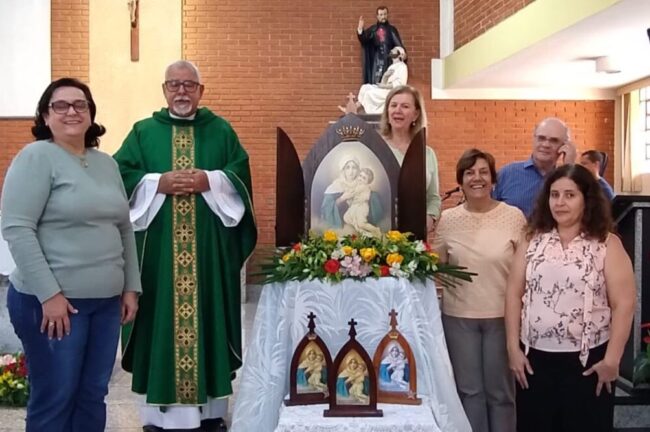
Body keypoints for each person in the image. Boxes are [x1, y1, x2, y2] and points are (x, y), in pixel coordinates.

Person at [114, 60, 257, 432]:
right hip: (158, 260)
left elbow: (239, 172)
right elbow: (119, 174)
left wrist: (210, 180)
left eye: (189, 85)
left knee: (207, 318)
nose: (181, 91)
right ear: (164, 90)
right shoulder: (143, 132)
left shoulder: (221, 130)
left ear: (200, 91)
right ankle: (157, 416)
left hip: (207, 258)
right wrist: (155, 183)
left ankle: (210, 414)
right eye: (174, 84)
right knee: (160, 320)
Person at [1, 78, 141, 431]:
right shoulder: (36, 157)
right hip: (53, 304)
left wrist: (130, 287)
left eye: (80, 104)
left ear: (91, 113)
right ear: (45, 116)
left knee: (93, 393)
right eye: (60, 105)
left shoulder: (106, 163)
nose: (72, 111)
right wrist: (50, 295)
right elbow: (17, 228)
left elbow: (124, 227)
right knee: (56, 395)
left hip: (105, 302)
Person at [505, 164, 636, 432]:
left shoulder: (607, 244)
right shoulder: (532, 241)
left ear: (586, 200)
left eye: (569, 195)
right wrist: (512, 349)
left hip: (588, 364)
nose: (560, 203)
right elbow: (513, 295)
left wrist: (612, 360)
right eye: (554, 195)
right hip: (535, 362)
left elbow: (623, 304)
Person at [433, 149, 526, 432]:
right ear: (460, 180)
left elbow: (525, 271)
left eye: (483, 172)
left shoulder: (513, 216)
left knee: (501, 393)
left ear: (493, 179)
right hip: (459, 317)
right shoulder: (448, 219)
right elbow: (437, 268)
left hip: (502, 318)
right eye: (469, 173)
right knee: (470, 392)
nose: (477, 178)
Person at [379, 85, 441, 231]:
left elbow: (433, 198)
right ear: (387, 112)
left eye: (405, 106)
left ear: (416, 114)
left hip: (414, 236)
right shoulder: (376, 150)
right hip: (379, 234)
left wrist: (430, 217)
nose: (397, 110)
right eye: (393, 105)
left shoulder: (427, 154)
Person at [494, 117, 577, 217]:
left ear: (564, 146)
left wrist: (569, 167)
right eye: (541, 138)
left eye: (554, 141)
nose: (546, 144)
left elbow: (577, 212)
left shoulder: (566, 178)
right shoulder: (507, 174)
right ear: (533, 139)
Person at [340, 46, 408, 115]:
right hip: (385, 88)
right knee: (365, 87)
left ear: (399, 54)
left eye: (394, 50)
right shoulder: (392, 66)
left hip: (392, 92)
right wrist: (385, 77)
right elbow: (383, 82)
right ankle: (355, 107)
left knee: (369, 94)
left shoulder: (402, 67)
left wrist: (384, 86)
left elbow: (400, 84)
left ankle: (357, 111)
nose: (391, 50)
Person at [320, 158, 382, 233]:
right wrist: (342, 198)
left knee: (361, 223)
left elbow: (371, 202)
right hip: (342, 228)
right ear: (343, 170)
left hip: (359, 214)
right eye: (348, 167)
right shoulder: (336, 185)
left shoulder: (362, 184)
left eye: (354, 168)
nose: (351, 172)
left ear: (358, 170)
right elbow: (326, 208)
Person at [357, 6, 404, 85]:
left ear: (387, 15)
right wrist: (360, 29)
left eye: (385, 14)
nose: (383, 17)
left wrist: (402, 54)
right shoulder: (373, 30)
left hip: (389, 60)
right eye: (381, 15)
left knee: (388, 82)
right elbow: (364, 40)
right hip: (377, 61)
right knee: (376, 82)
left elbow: (399, 46)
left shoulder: (392, 30)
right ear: (377, 16)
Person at [341, 167, 382, 237]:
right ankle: (361, 231)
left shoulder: (364, 187)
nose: (360, 178)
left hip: (361, 207)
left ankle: (375, 230)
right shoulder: (358, 185)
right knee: (346, 217)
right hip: (355, 207)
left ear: (368, 182)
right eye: (360, 176)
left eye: (364, 178)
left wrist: (348, 191)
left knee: (361, 223)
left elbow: (354, 192)